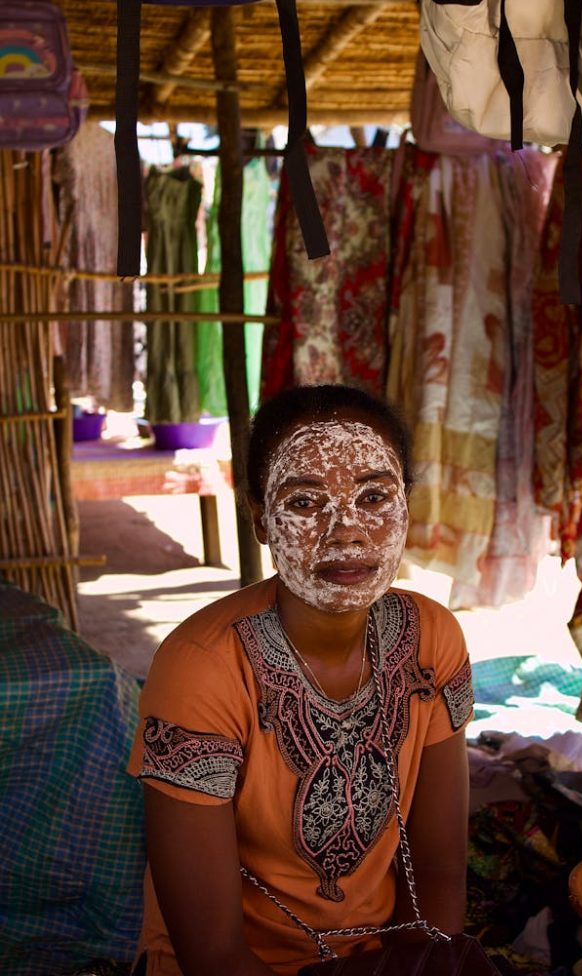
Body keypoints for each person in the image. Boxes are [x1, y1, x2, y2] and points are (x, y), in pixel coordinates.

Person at [127, 383, 473, 976]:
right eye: (307, 504)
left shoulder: (433, 640)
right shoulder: (201, 667)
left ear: (406, 505)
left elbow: (440, 887)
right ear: (260, 518)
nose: (347, 532)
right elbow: (212, 954)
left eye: (373, 497)